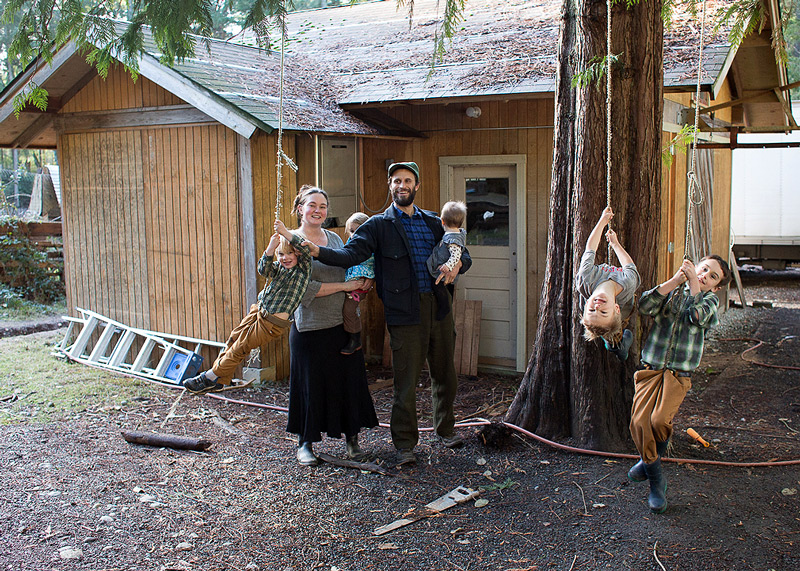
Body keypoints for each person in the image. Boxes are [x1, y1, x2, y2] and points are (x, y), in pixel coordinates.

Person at [306, 161, 472, 466]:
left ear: (416, 186)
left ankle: (446, 430)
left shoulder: (435, 223)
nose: (402, 185)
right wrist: (317, 251)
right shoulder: (378, 226)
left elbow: (462, 252)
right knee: (406, 381)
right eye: (396, 180)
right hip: (404, 313)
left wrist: (458, 265)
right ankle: (405, 444)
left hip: (439, 308)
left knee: (445, 374)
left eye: (407, 180)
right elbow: (350, 254)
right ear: (390, 185)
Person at [627, 255, 732, 514]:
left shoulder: (709, 301)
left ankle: (649, 461)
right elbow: (645, 306)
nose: (705, 275)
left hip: (678, 375)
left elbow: (697, 316)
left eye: (712, 276)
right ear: (696, 267)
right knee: (639, 423)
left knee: (659, 421)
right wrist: (675, 280)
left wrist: (695, 285)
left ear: (716, 287)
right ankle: (656, 480)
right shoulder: (674, 292)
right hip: (651, 369)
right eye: (703, 269)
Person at [286, 185, 379, 466]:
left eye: (323, 206)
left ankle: (352, 440)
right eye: (312, 205)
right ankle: (305, 442)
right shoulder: (291, 241)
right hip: (309, 327)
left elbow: (353, 266)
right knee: (309, 387)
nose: (318, 211)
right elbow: (301, 289)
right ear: (300, 208)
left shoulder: (337, 240)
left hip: (342, 326)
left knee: (348, 383)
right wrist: (345, 285)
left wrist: (363, 282)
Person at [183, 219, 311, 394]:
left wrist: (284, 232)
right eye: (281, 254)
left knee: (240, 347)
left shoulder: (302, 270)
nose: (285, 258)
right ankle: (220, 380)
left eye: (290, 254)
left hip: (271, 323)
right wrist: (271, 249)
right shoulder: (280, 268)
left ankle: (209, 377)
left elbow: (304, 249)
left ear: (298, 255)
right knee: (234, 339)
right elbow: (263, 270)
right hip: (258, 311)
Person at [575, 207, 640, 361]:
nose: (597, 308)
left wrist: (603, 221)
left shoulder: (585, 278)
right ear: (615, 308)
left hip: (597, 294)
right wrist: (615, 244)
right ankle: (617, 345)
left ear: (586, 305)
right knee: (614, 330)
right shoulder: (628, 282)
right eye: (602, 312)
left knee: (603, 327)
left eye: (591, 310)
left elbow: (590, 248)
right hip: (624, 305)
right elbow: (629, 266)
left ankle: (614, 346)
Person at [341, 212, 375, 355]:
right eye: (352, 231)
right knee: (348, 310)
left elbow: (375, 264)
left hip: (360, 284)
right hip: (350, 281)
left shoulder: (371, 246)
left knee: (348, 310)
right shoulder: (349, 244)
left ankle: (355, 340)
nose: (355, 235)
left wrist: (371, 278)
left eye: (359, 230)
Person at [427, 201, 467, 320]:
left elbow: (456, 254)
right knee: (444, 287)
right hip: (443, 266)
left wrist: (448, 266)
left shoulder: (452, 238)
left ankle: (444, 307)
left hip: (443, 269)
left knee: (438, 286)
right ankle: (446, 304)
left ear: (442, 221)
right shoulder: (457, 233)